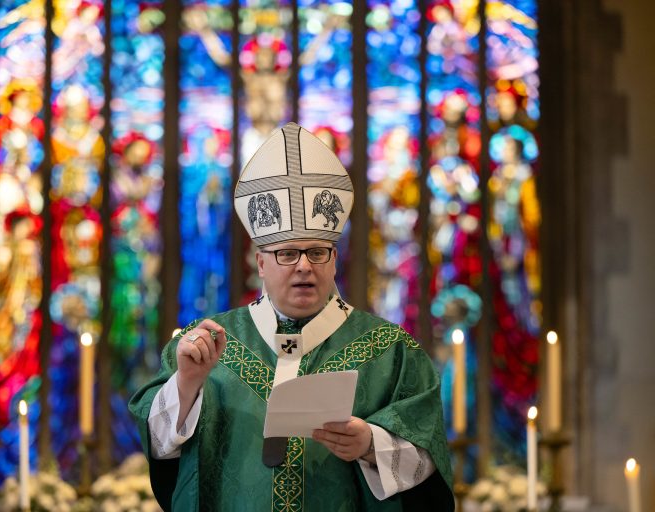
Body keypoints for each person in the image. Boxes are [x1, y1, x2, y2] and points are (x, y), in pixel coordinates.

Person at [129, 123, 454, 510]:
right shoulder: (206, 344)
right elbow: (160, 446)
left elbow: (428, 453)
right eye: (287, 253)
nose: (304, 266)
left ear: (334, 261)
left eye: (318, 252)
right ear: (261, 262)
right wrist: (186, 385)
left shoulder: (391, 351)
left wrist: (371, 444)